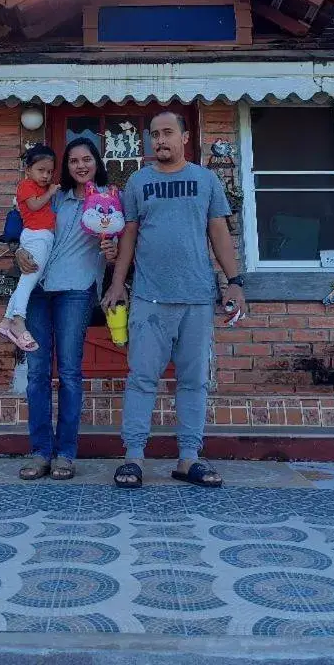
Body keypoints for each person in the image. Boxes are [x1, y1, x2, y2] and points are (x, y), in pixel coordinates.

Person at [101, 111, 246, 489]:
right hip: (149, 299)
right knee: (141, 379)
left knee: (193, 381)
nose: (160, 140)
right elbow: (128, 237)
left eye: (168, 133)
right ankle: (133, 457)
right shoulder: (138, 182)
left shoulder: (205, 179)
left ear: (184, 138)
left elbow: (219, 233)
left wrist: (235, 282)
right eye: (154, 135)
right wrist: (118, 284)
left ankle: (188, 458)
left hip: (197, 298)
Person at [14, 138, 118, 481]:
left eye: (86, 159)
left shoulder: (107, 199)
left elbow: (118, 242)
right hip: (38, 291)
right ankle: (40, 451)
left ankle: (65, 454)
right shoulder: (53, 195)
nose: (80, 166)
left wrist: (112, 251)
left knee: (71, 373)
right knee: (37, 373)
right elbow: (22, 225)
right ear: (66, 166)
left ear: (96, 162)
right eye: (73, 160)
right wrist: (17, 250)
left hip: (76, 290)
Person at [0, 144, 60, 353]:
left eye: (49, 172)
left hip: (43, 236)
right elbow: (33, 206)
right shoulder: (26, 186)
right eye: (41, 170)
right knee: (29, 278)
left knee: (28, 279)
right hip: (37, 236)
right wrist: (50, 192)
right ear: (28, 170)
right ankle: (18, 320)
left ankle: (6, 322)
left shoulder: (39, 187)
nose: (46, 175)